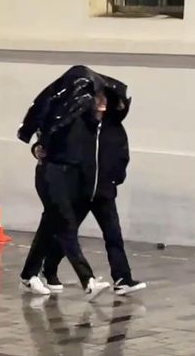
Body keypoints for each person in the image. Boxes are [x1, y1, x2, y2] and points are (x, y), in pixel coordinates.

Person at [16, 67, 112, 300]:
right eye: (99, 97)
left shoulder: (94, 126)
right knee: (66, 225)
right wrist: (37, 147)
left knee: (48, 226)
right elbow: (47, 135)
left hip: (70, 179)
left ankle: (28, 275)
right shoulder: (69, 118)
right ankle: (87, 279)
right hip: (52, 175)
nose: (102, 101)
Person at [40, 93, 146, 295]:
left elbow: (122, 156)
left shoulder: (114, 129)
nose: (102, 102)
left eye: (105, 98)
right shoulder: (81, 126)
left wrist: (116, 178)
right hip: (80, 191)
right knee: (68, 233)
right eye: (97, 98)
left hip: (104, 192)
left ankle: (122, 278)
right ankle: (49, 267)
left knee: (113, 235)